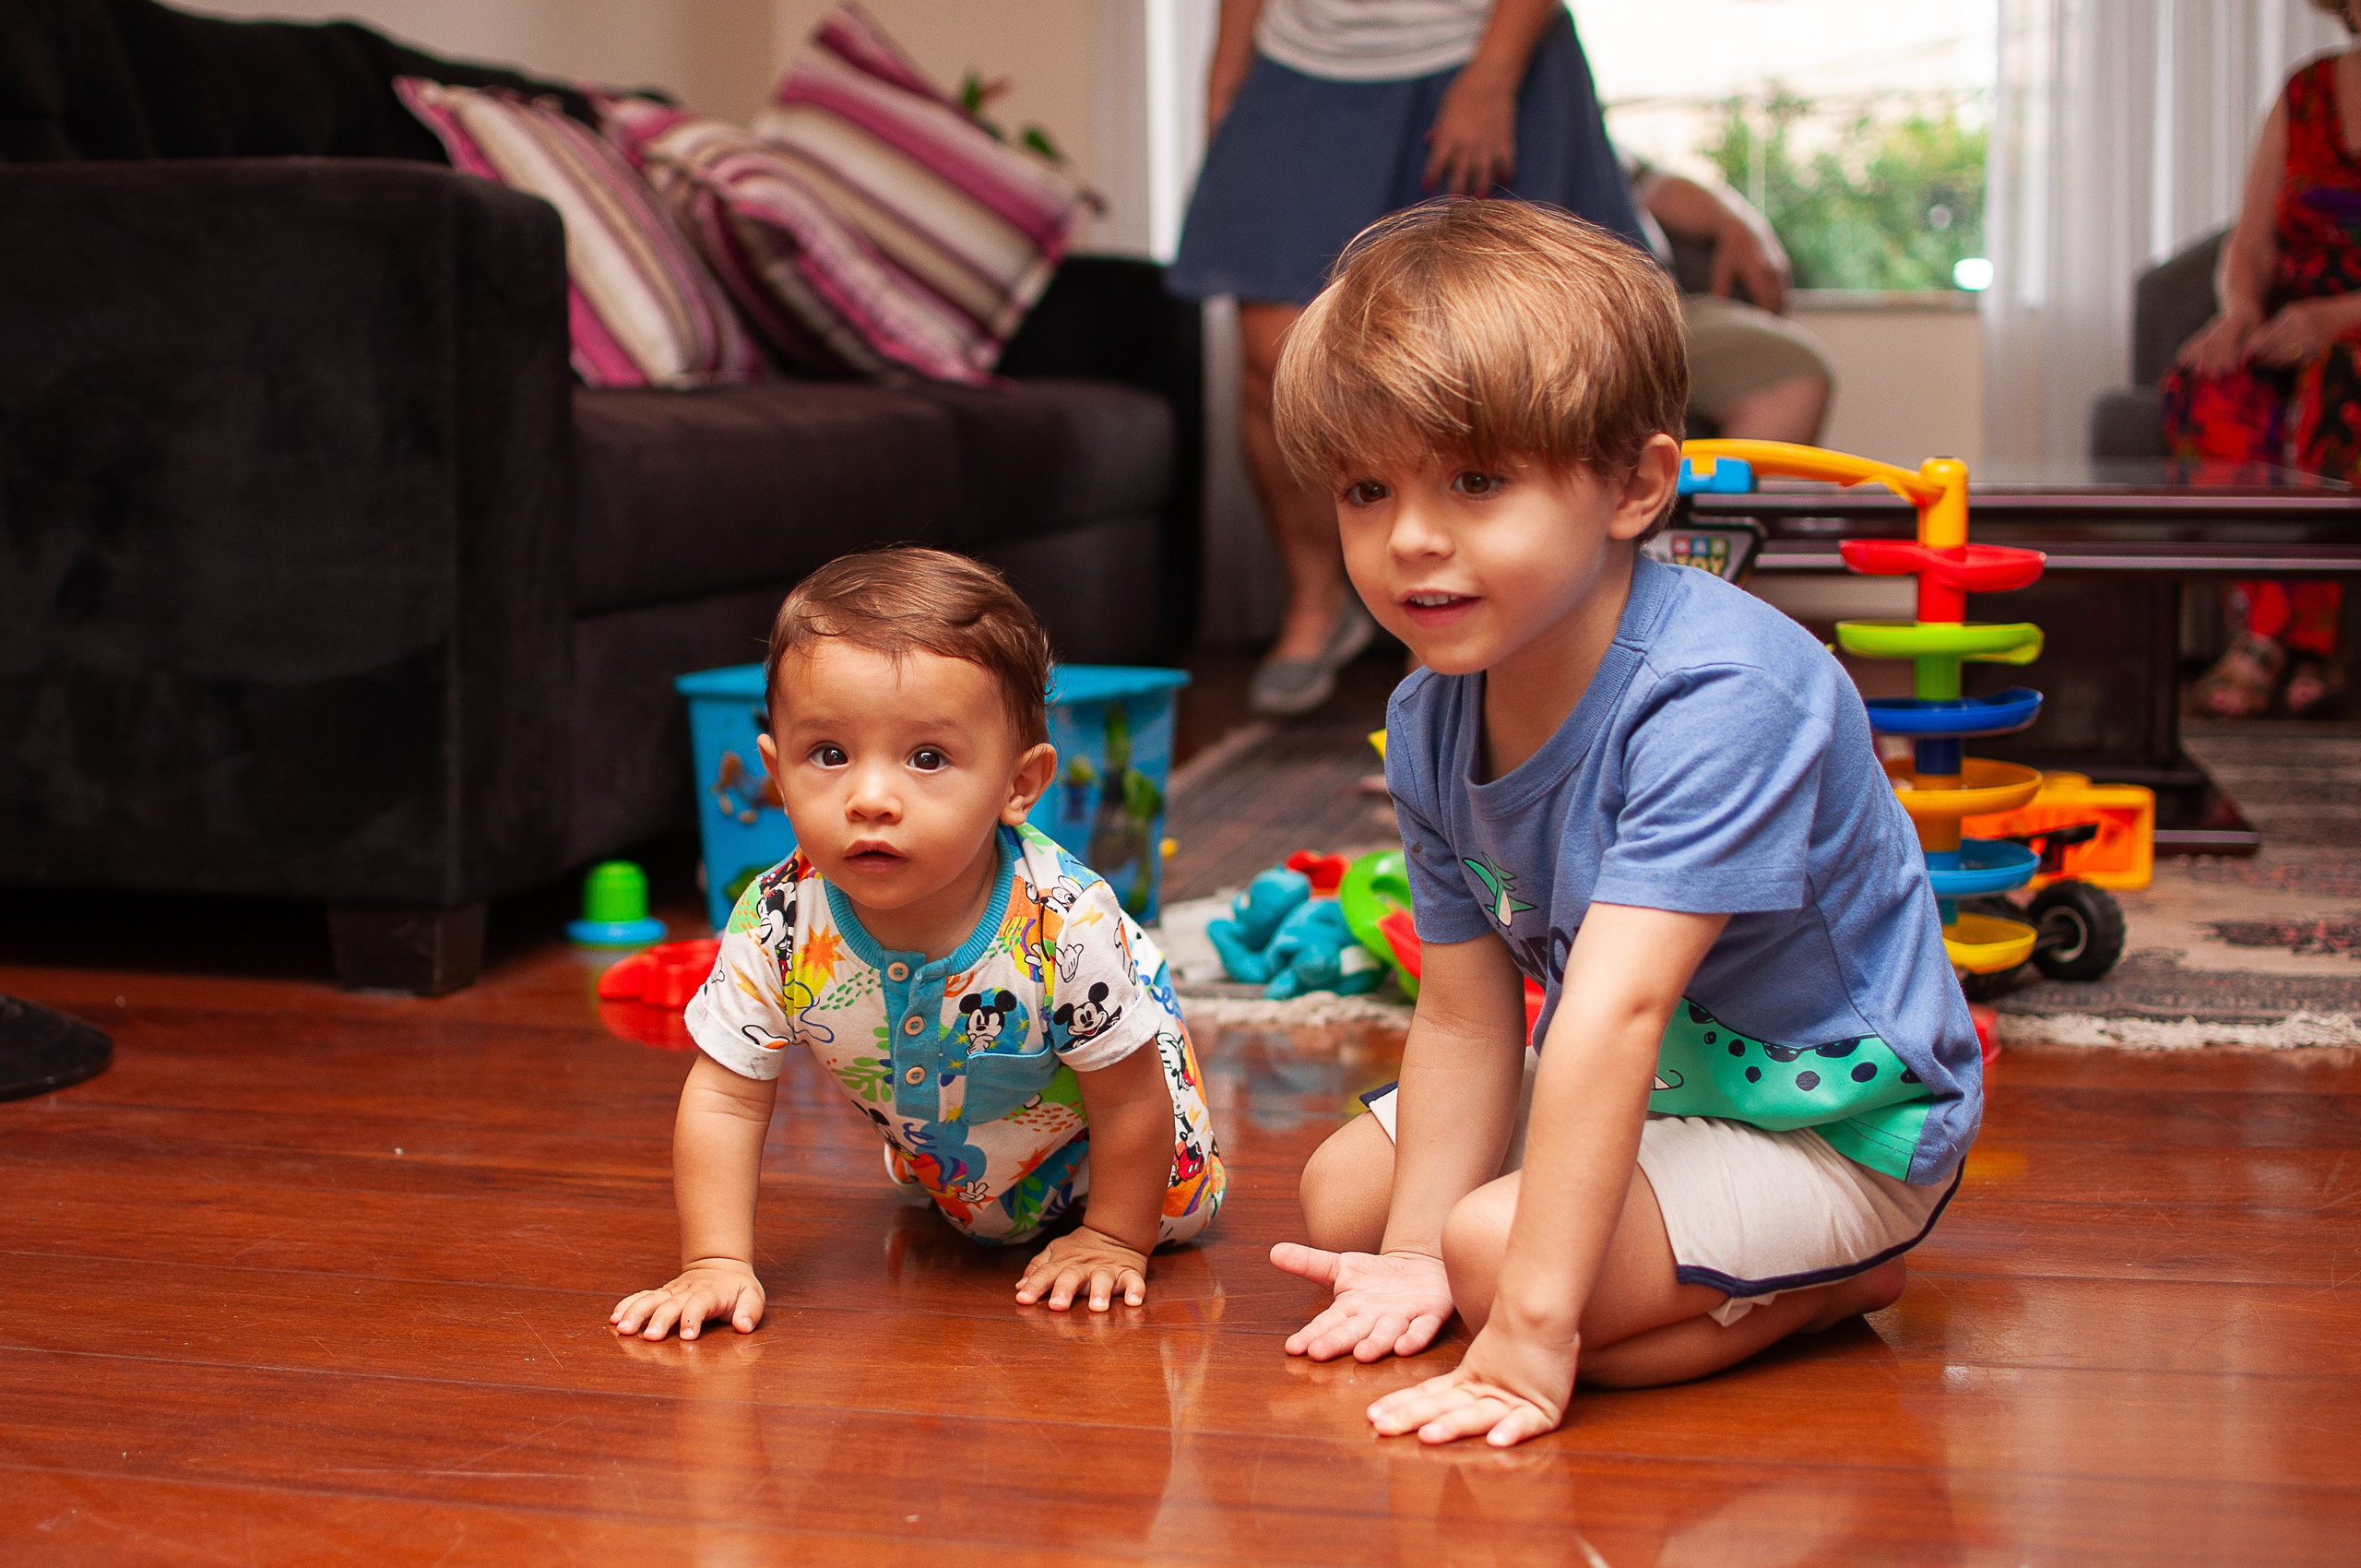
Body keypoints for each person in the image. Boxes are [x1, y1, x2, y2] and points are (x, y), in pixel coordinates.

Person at [1264, 201, 1981, 1446]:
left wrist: (1521, 1342)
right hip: (1655, 1091)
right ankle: (1604, 1272)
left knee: (1503, 1260)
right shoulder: (1434, 710)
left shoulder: (1723, 693)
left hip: (1832, 1126)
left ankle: (1836, 1282)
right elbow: (1463, 1006)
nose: (1413, 539)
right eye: (1368, 490)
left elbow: (1615, 1012)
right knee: (1351, 1209)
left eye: (1478, 482)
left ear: (1636, 487)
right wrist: (1419, 1257)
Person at [611, 548, 1224, 1341]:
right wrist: (715, 1262)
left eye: (927, 758)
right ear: (775, 772)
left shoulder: (1063, 920)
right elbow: (726, 1097)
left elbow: (1133, 1097)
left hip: (1144, 1179)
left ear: (1019, 785)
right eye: (828, 755)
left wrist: (1115, 1238)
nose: (869, 799)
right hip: (958, 1183)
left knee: (1136, 1116)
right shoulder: (778, 916)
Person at [1170, 0, 1643, 718]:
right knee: (1277, 360)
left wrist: (1492, 74)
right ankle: (1318, 598)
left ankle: (1461, 628)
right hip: (1301, 66)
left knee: (1478, 363)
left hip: (1475, 50)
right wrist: (1225, 86)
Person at [2162, 0, 2356, 719]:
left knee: (2341, 387)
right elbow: (2250, 241)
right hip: (2292, 322)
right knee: (2207, 386)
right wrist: (2241, 313)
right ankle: (2274, 627)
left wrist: (2334, 318)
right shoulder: (2306, 94)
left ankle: (2286, 644)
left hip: (2346, 328)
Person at [1627, 154, 1835, 444]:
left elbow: (1651, 182)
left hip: (1664, 309)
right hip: (1579, 309)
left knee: (1791, 367)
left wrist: (1736, 219)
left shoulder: (1595, 140)